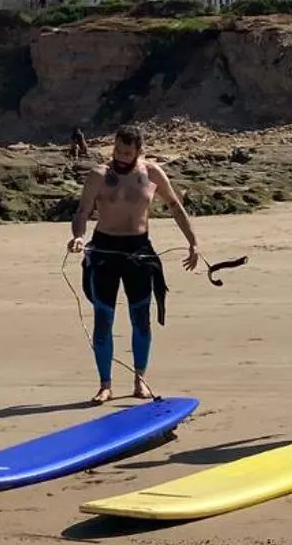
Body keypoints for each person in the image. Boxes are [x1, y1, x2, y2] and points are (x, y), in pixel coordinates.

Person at [67, 124, 202, 404]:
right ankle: (105, 384)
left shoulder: (151, 173)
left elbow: (175, 206)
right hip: (104, 248)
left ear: (139, 151)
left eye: (127, 152)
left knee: (140, 318)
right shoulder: (99, 175)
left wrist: (193, 241)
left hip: (139, 250)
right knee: (103, 319)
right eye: (117, 150)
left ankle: (140, 379)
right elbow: (82, 211)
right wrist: (78, 237)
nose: (121, 157)